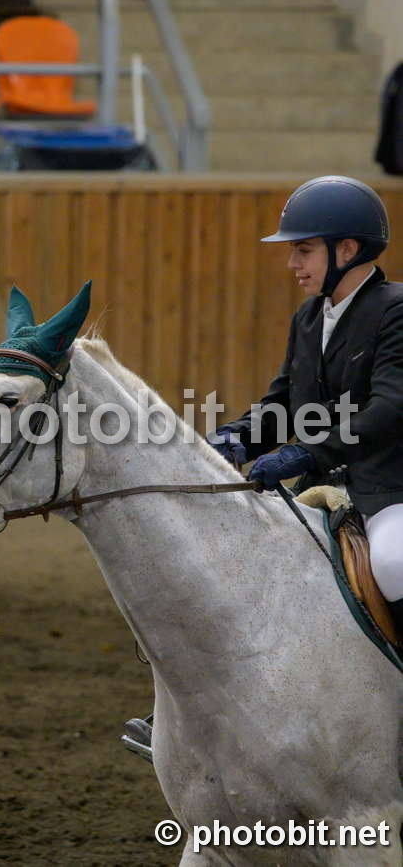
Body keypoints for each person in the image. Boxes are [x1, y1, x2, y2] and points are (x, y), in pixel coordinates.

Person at [123, 174, 403, 757]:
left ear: (347, 249)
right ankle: (198, 721)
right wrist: (225, 444)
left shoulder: (395, 311)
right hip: (320, 491)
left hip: (386, 491)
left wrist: (308, 452)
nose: (293, 264)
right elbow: (284, 405)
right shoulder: (309, 319)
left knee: (395, 565)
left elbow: (388, 409)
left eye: (304, 250)